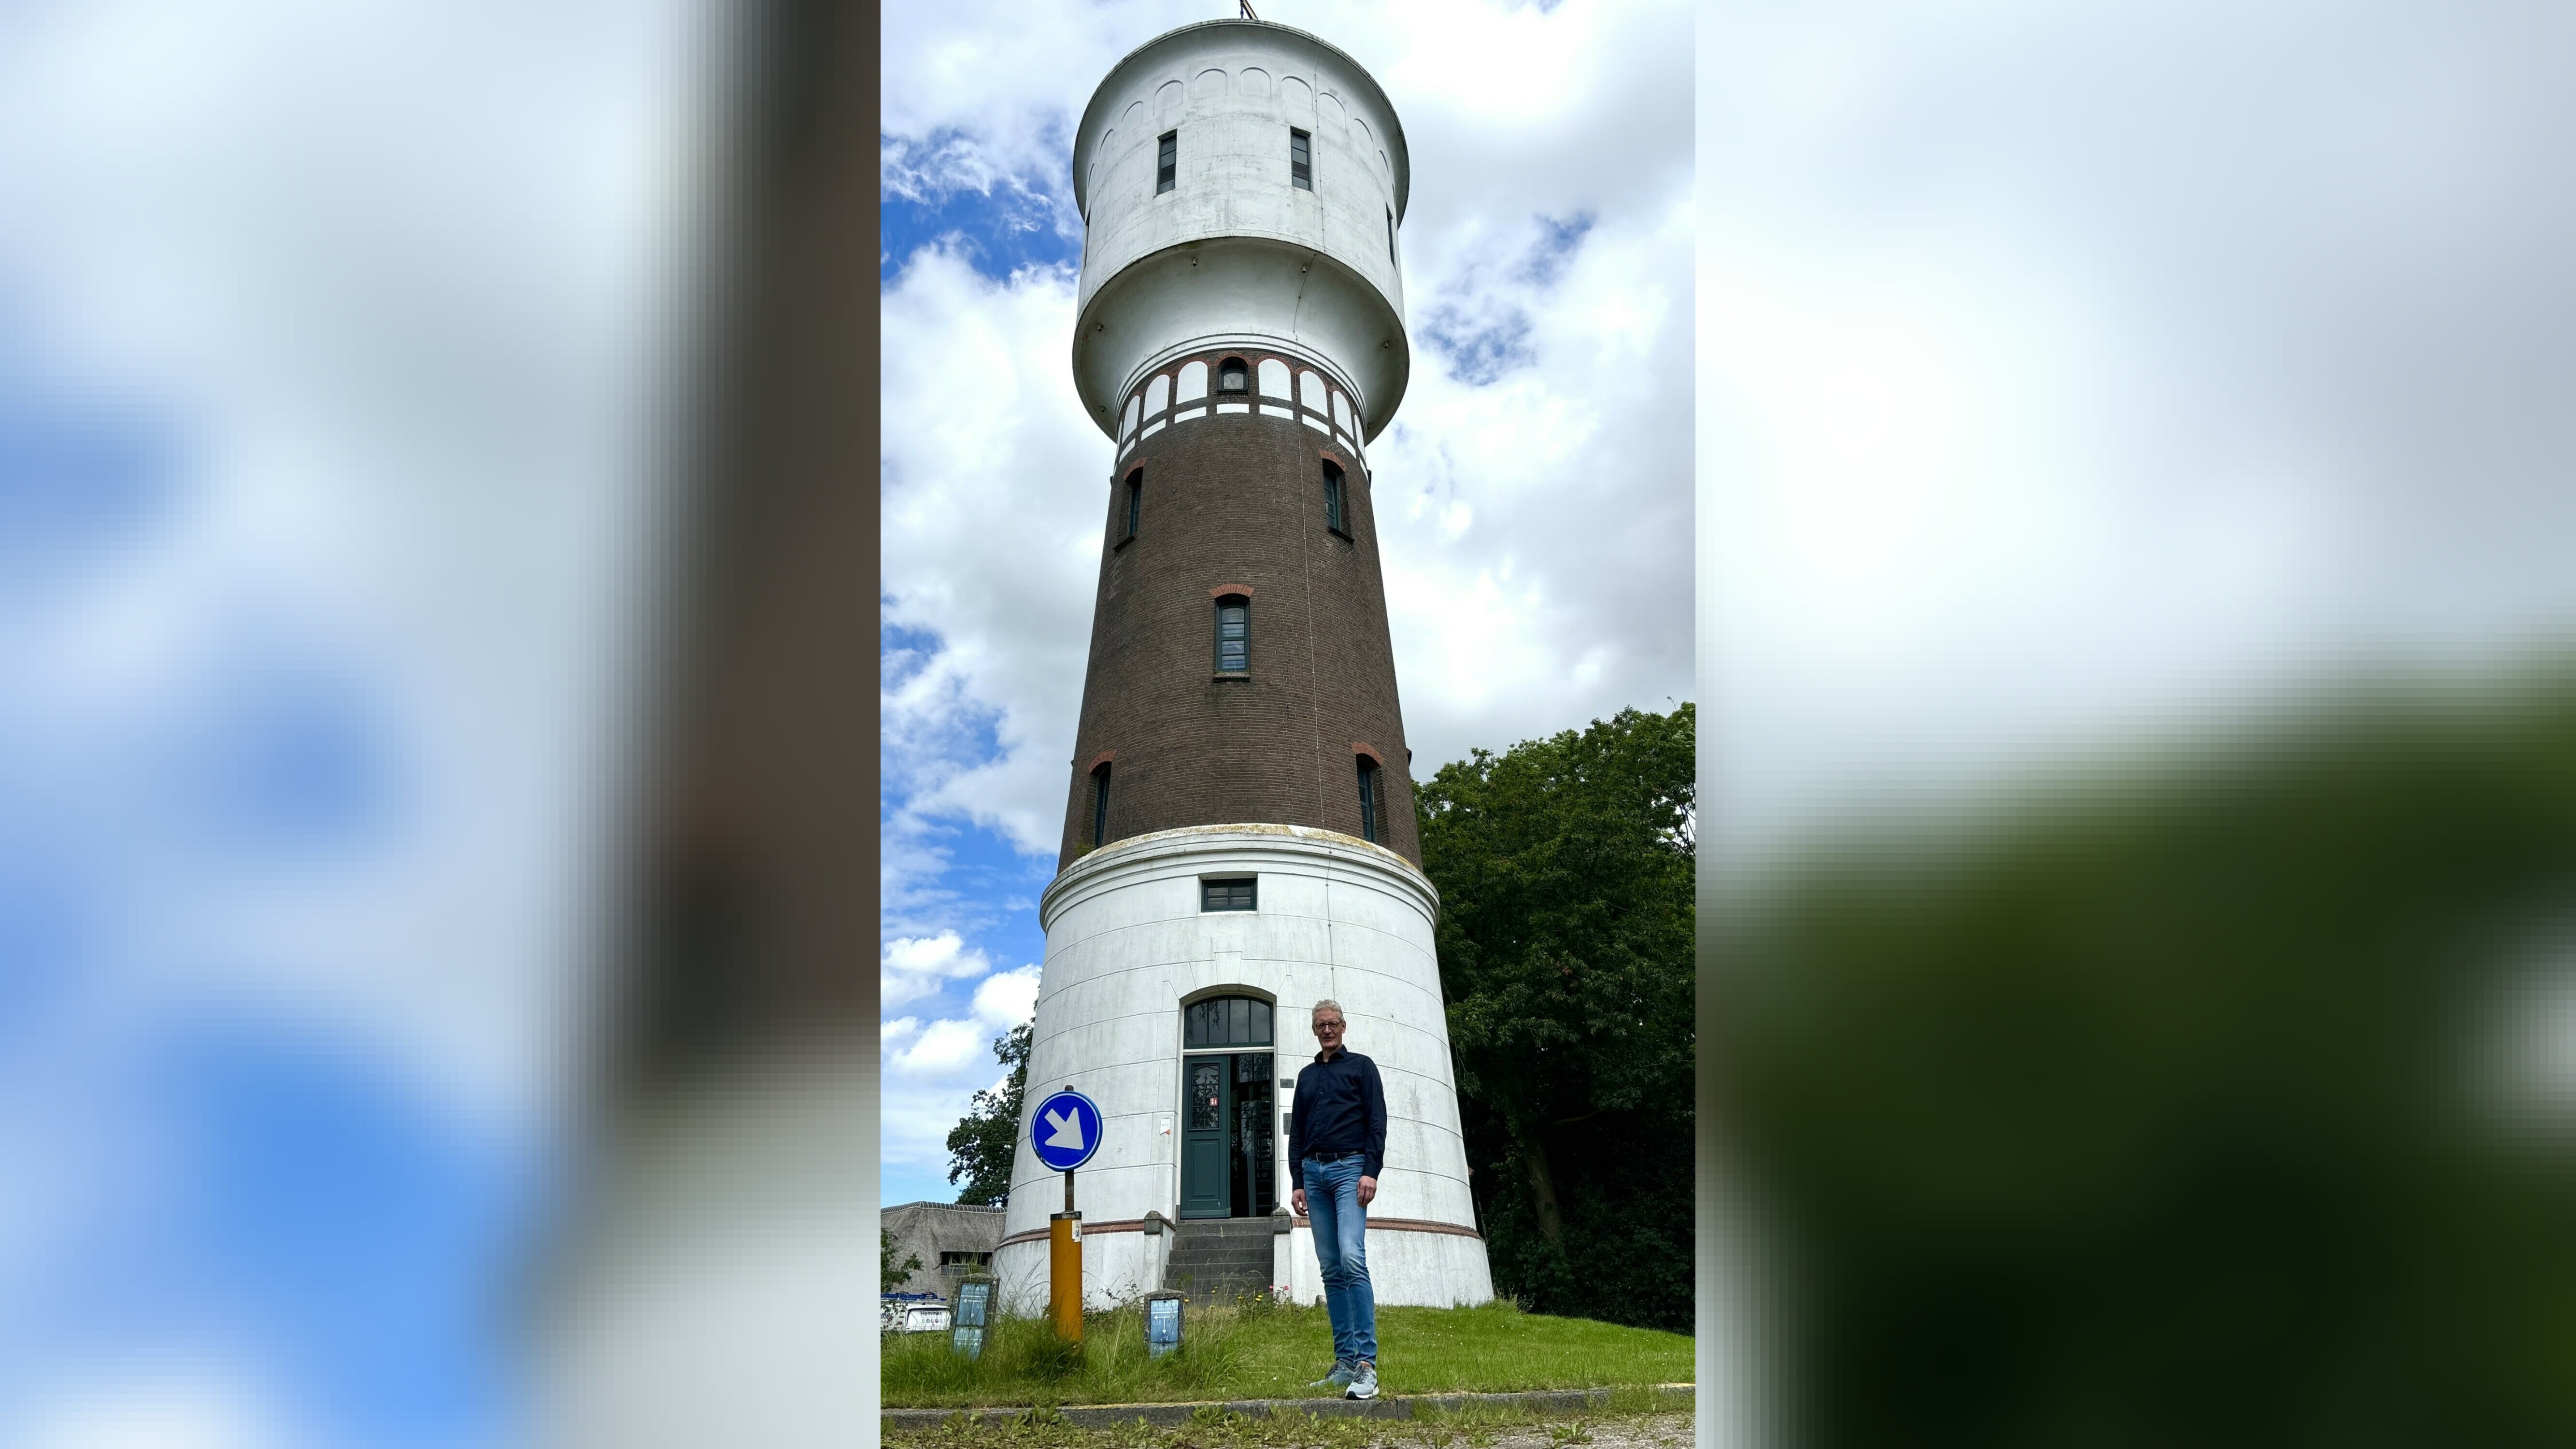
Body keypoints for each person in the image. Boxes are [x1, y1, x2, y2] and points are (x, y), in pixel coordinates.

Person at [1287, 997, 1387, 1400]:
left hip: (1350, 1170)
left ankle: (1367, 1365)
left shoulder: (1361, 1067)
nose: (1326, 1030)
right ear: (1314, 1030)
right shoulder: (1306, 1076)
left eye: (1332, 1024)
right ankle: (1344, 1362)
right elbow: (1297, 1131)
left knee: (1351, 1257)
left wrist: (1371, 1171)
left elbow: (1376, 1120)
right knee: (1330, 1267)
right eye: (1320, 1025)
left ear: (1343, 1027)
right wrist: (1297, 1180)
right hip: (1314, 1173)